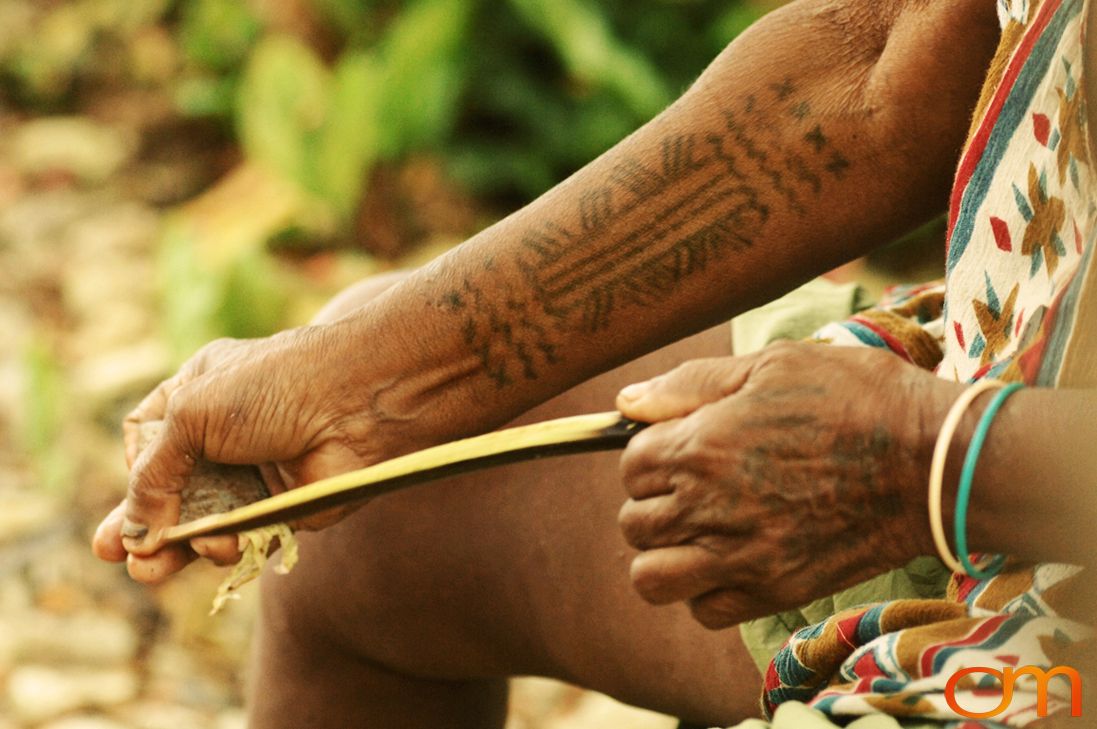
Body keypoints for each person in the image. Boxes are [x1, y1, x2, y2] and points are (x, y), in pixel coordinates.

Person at [93, 0, 1097, 726]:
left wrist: (937, 461)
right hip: (1006, 421)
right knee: (374, 536)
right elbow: (887, 65)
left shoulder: (934, 460)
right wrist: (368, 378)